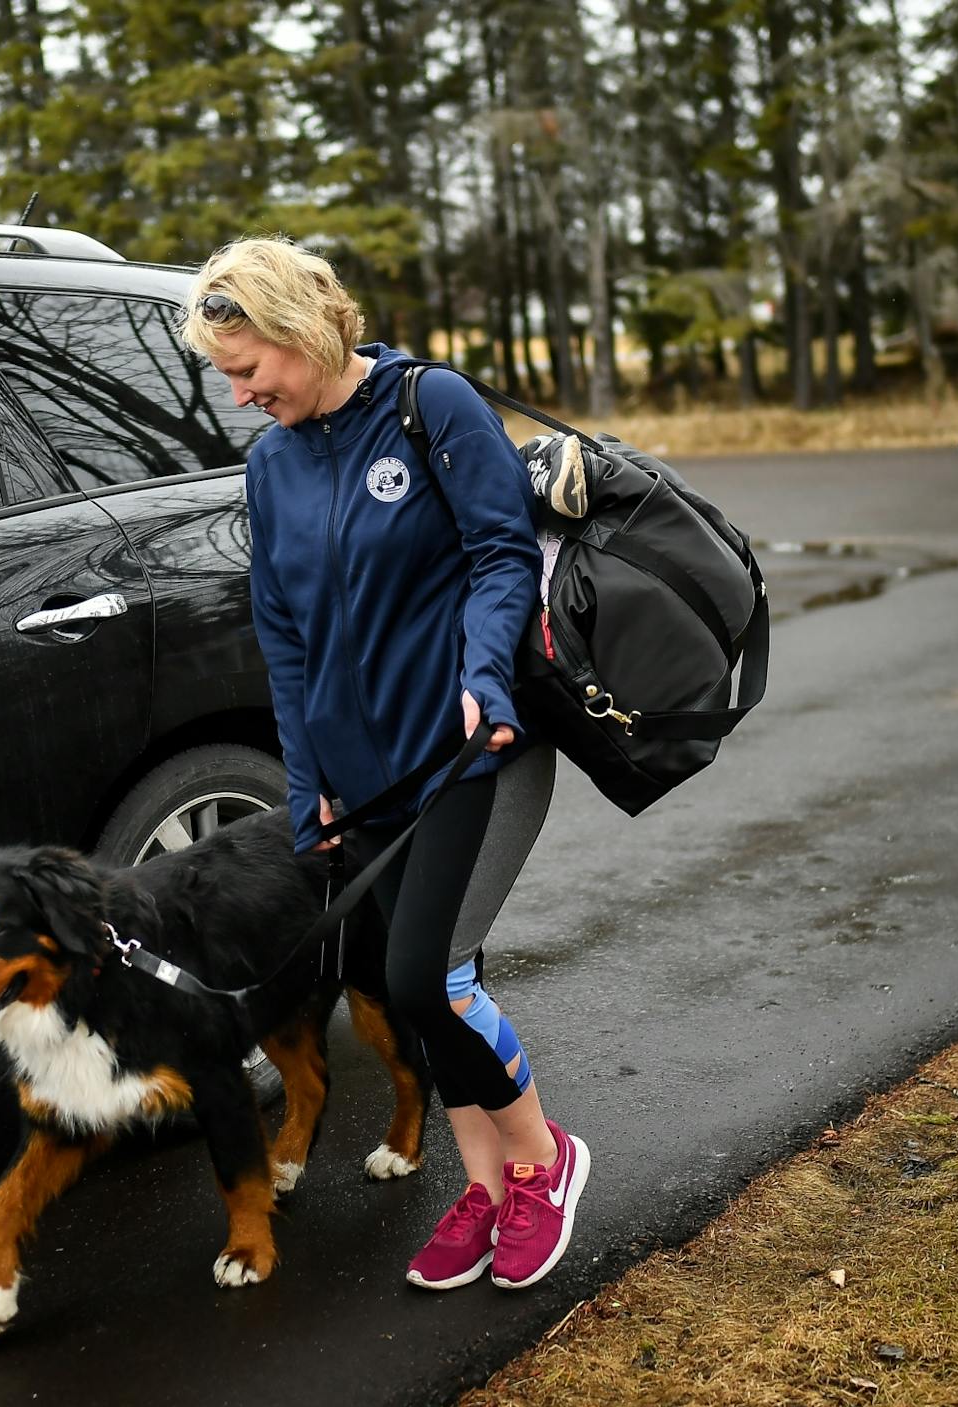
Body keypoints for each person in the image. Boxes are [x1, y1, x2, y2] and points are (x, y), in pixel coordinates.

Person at [181, 236, 590, 1291]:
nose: (240, 396)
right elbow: (282, 632)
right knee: (423, 996)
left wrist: (486, 675)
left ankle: (545, 1163)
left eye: (247, 370)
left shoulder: (431, 406)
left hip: (470, 748)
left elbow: (502, 555)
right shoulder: (271, 464)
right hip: (362, 779)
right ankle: (486, 1186)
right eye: (226, 377)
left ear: (300, 331)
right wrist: (308, 779)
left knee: (425, 976)